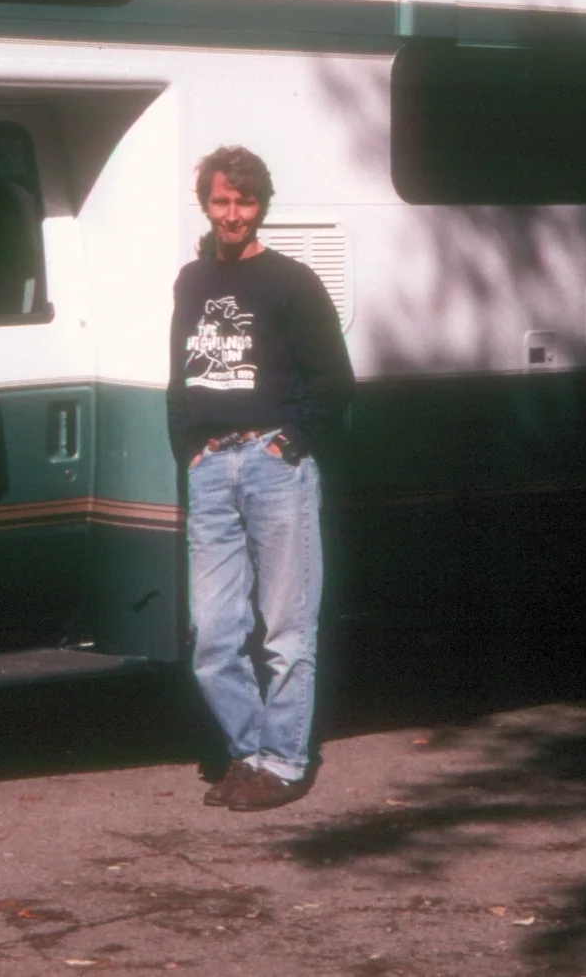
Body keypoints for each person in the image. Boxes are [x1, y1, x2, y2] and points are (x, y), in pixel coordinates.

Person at [168, 146, 353, 812]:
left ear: (261, 206)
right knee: (213, 636)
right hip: (211, 468)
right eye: (220, 201)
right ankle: (248, 753)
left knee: (286, 629)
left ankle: (283, 762)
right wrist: (190, 450)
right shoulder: (191, 281)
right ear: (205, 204)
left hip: (275, 468)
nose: (232, 214)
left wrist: (287, 442)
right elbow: (179, 375)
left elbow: (334, 379)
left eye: (244, 202)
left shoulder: (291, 282)